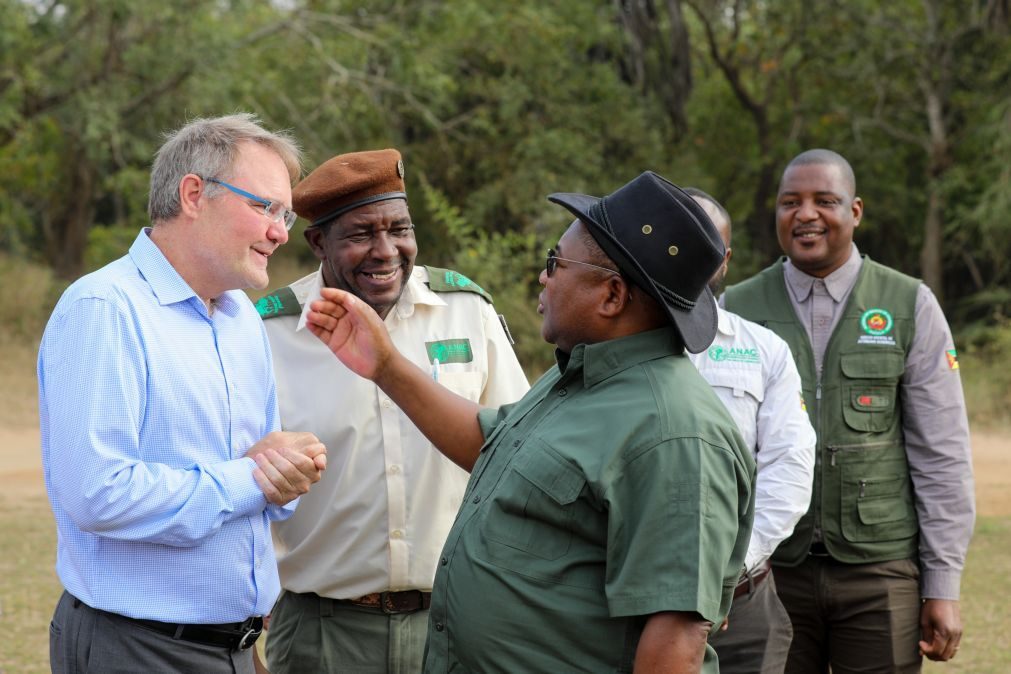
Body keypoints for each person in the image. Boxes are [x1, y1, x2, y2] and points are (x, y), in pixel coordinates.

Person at [305, 170, 756, 673]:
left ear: (611, 296)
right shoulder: (583, 372)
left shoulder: (676, 434)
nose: (544, 277)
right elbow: (490, 443)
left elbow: (674, 638)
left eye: (555, 262)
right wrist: (385, 366)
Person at [39, 113, 327, 674]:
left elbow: (255, 468)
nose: (281, 231)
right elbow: (98, 493)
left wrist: (281, 474)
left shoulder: (242, 316)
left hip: (234, 649)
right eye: (264, 207)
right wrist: (251, 478)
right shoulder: (105, 309)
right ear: (194, 194)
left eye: (285, 213)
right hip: (136, 650)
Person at [258, 148, 529, 673]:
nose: (386, 251)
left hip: (458, 625)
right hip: (324, 635)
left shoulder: (467, 311)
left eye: (399, 229)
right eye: (361, 235)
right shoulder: (267, 334)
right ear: (318, 242)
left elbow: (522, 458)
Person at [724, 149, 975, 672]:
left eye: (825, 200)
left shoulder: (910, 304)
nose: (806, 214)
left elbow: (942, 455)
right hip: (770, 573)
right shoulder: (736, 312)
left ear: (855, 211)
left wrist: (943, 585)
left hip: (880, 573)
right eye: (790, 202)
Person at [684, 188, 816, 674]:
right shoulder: (607, 344)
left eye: (705, 244)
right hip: (624, 601)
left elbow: (791, 465)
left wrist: (730, 569)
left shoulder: (764, 351)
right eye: (679, 240)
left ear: (725, 258)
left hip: (741, 605)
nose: (690, 258)